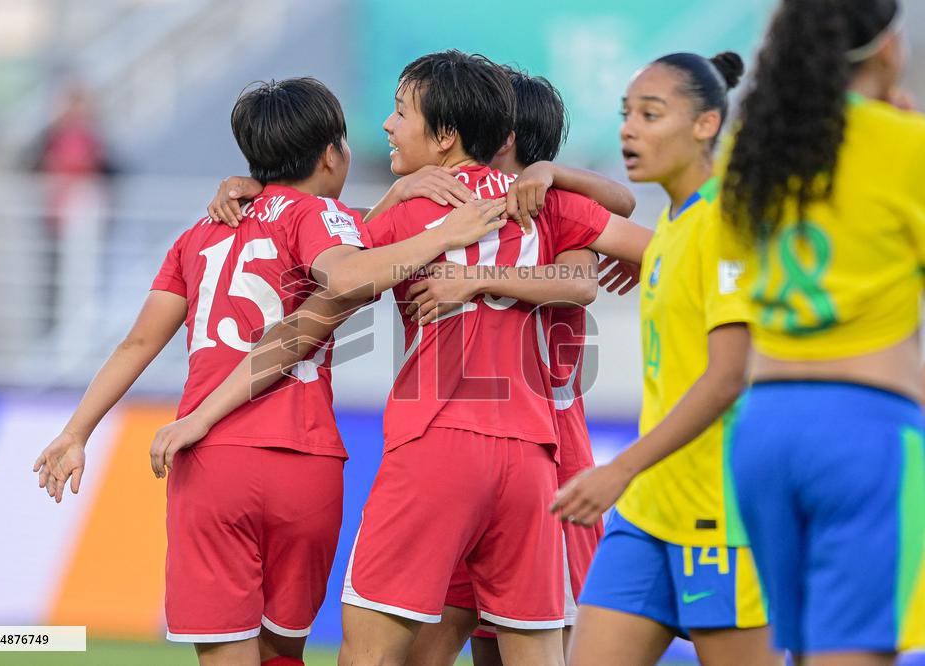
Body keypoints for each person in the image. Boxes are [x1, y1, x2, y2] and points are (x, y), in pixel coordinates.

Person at [152, 50, 653, 666]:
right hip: (535, 458)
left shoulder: (417, 215)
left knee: (373, 655)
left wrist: (201, 416)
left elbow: (308, 319)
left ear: (446, 135)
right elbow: (654, 249)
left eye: (399, 112)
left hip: (436, 445)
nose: (387, 125)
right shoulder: (546, 208)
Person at [32, 77, 504, 666]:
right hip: (303, 461)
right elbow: (348, 267)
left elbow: (137, 342)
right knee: (283, 650)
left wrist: (77, 431)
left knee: (228, 650)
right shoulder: (321, 219)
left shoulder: (199, 235)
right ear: (332, 154)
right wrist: (440, 231)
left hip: (211, 458)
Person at [396, 67, 637, 666]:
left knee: (521, 643)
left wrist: (547, 177)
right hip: (487, 453)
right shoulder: (457, 209)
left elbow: (589, 274)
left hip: (545, 458)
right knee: (475, 641)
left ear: (500, 135)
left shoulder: (551, 211)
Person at [551, 52, 781, 666]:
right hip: (649, 511)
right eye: (627, 114)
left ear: (706, 124)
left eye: (651, 114)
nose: (629, 129)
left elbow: (729, 374)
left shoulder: (728, 220)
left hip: (720, 512)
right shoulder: (673, 229)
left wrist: (619, 468)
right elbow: (620, 218)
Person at [720, 1, 924, 663]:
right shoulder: (907, 145)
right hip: (867, 429)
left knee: (803, 652)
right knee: (853, 652)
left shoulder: (752, 149)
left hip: (763, 428)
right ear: (887, 49)